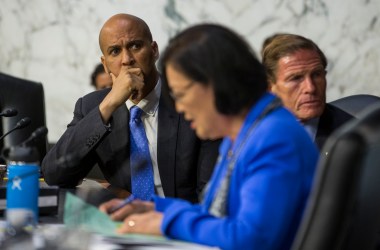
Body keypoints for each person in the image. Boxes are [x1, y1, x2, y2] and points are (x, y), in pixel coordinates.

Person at [99, 24, 319, 250]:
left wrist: (166, 223)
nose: (180, 108)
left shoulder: (274, 138)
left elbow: (252, 239)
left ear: (217, 84)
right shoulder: (243, 132)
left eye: (181, 94)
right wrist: (151, 208)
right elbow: (213, 213)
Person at [41, 13, 220, 203]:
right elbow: (54, 174)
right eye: (115, 51)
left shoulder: (188, 100)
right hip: (123, 225)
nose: (126, 59)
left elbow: (210, 198)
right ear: (105, 64)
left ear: (154, 50)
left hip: (179, 224)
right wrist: (109, 105)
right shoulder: (93, 106)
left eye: (135, 46)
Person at [261, 33, 354, 149]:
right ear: (270, 88)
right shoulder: (249, 134)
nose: (311, 88)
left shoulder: (355, 138)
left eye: (316, 75)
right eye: (296, 78)